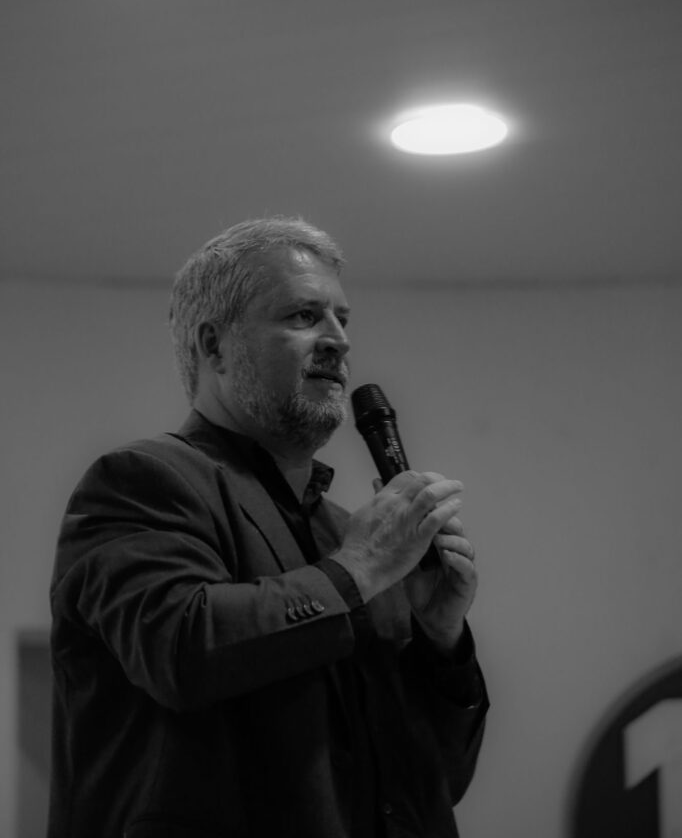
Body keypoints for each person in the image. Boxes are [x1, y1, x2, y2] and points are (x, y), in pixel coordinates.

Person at [48, 216, 489, 838]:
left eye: (342, 319)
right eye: (304, 316)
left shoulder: (352, 538)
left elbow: (434, 785)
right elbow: (180, 651)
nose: (338, 341)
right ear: (214, 346)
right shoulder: (141, 481)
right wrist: (359, 570)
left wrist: (441, 642)